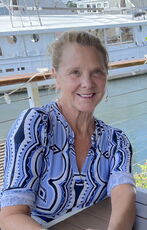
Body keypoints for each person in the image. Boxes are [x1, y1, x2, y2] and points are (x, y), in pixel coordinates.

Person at [0, 31, 136, 230]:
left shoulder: (116, 140)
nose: (88, 83)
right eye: (75, 72)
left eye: (96, 71)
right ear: (56, 76)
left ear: (106, 76)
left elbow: (124, 193)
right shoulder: (37, 124)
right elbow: (10, 216)